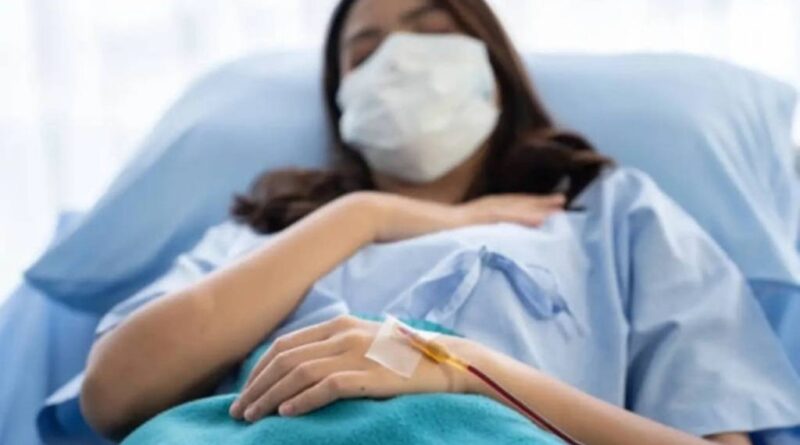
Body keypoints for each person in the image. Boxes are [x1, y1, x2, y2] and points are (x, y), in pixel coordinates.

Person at [80, 0, 800, 444]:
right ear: (340, 98)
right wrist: (366, 215)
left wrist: (464, 370)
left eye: (431, 31)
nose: (397, 61)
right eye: (365, 51)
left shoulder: (607, 214)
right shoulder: (264, 234)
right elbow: (113, 396)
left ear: (493, 71)